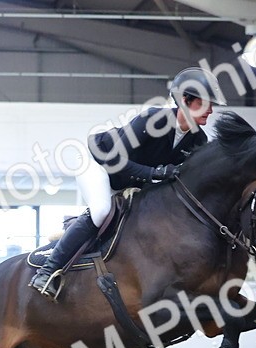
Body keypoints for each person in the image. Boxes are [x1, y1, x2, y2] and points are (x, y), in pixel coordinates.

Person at [28, 67, 223, 300]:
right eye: (204, 103)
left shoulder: (198, 140)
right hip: (99, 163)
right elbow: (114, 161)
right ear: (184, 100)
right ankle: (47, 271)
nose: (211, 110)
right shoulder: (154, 119)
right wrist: (154, 173)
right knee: (101, 211)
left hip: (132, 180)